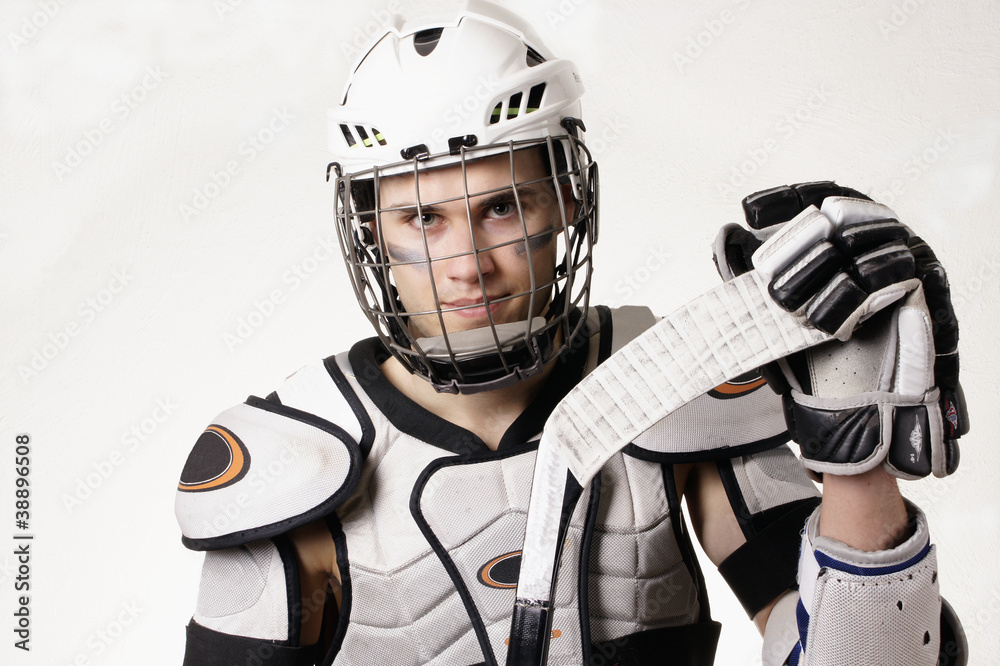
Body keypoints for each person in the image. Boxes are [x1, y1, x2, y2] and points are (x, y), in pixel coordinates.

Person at [174, 2, 969, 664]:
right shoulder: (295, 459)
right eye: (423, 217)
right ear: (372, 232)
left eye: (502, 207)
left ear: (564, 203)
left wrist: (856, 453)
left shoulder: (670, 384)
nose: (468, 265)